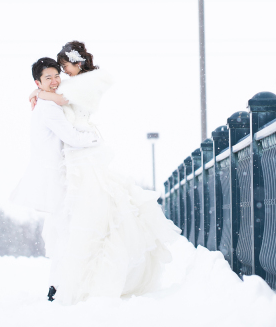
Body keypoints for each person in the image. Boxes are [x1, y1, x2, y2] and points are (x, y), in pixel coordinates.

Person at [20, 42, 179, 305]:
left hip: (82, 149)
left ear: (77, 63)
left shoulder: (85, 84)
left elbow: (63, 100)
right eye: (53, 74)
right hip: (74, 156)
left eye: (62, 69)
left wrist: (40, 92)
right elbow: (57, 96)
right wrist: (39, 91)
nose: (60, 75)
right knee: (79, 221)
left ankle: (69, 282)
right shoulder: (65, 87)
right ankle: (64, 281)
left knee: (87, 217)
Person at [9, 57, 102, 298]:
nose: (54, 81)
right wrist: (95, 140)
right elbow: (70, 136)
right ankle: (60, 286)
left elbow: (68, 96)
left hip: (60, 174)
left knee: (66, 229)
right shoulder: (48, 107)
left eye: (56, 75)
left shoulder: (46, 100)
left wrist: (40, 93)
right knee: (66, 229)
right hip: (57, 178)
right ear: (38, 82)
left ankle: (61, 283)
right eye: (47, 78)